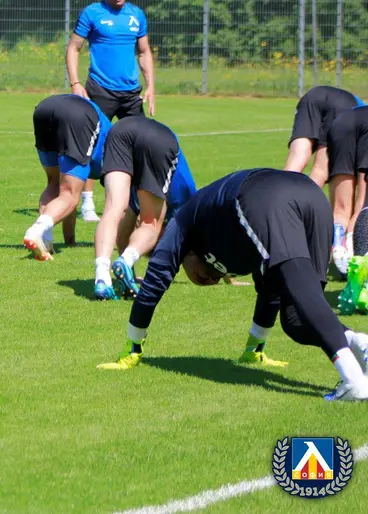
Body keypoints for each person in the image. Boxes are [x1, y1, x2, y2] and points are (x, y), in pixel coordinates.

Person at [98, 168, 368, 402]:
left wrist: (132, 348)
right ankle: (361, 344)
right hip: (310, 197)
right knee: (297, 320)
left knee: (305, 295)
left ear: (187, 255)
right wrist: (254, 348)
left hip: (264, 195)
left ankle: (353, 381)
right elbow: (270, 288)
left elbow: (153, 283)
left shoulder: (182, 224)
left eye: (208, 271)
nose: (211, 279)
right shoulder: (242, 236)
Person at [65, 0, 154, 222]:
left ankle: (136, 204)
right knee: (92, 147)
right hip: (99, 90)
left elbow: (144, 52)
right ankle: (87, 204)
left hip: (131, 94)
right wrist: (75, 83)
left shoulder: (137, 15)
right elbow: (73, 48)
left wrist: (151, 86)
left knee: (139, 147)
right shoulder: (92, 13)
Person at [93, 117, 196, 301]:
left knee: (113, 209)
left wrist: (129, 276)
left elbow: (123, 236)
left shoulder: (140, 196)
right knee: (150, 224)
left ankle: (102, 279)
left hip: (121, 128)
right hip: (161, 139)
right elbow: (202, 246)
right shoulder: (185, 206)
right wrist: (227, 275)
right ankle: (126, 260)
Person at [22, 94, 112, 261]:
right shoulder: (114, 164)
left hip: (44, 107)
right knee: (69, 194)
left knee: (55, 185)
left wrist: (70, 242)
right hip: (79, 115)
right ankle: (36, 231)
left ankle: (46, 240)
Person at [284, 85, 363, 187]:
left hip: (315, 93)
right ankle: (307, 197)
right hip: (345, 105)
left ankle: (283, 193)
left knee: (297, 158)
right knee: (321, 169)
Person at [324, 105, 368, 275]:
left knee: (340, 207)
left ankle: (338, 250)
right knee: (363, 205)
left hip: (342, 122)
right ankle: (354, 262)